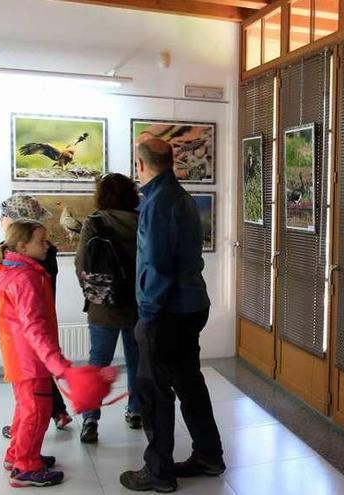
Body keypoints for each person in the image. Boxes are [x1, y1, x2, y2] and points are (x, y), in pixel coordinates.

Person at [119, 136, 224, 493]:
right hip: (191, 305)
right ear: (172, 160)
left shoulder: (157, 203)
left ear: (140, 165)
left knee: (154, 390)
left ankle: (159, 471)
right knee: (190, 383)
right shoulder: (181, 197)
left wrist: (146, 315)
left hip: (166, 312)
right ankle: (209, 455)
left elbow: (158, 265)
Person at [0, 220, 73, 488]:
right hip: (30, 359)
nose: (47, 245)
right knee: (37, 410)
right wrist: (55, 362)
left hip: (20, 355)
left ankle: (17, 455)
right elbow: (33, 326)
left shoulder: (17, 271)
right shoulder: (25, 278)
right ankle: (26, 467)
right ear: (22, 245)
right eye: (41, 241)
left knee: (26, 408)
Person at [75, 173, 142, 443]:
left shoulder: (94, 222)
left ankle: (90, 419)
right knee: (137, 361)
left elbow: (81, 265)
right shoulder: (141, 221)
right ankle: (136, 411)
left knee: (97, 362)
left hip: (103, 304)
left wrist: (94, 293)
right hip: (137, 303)